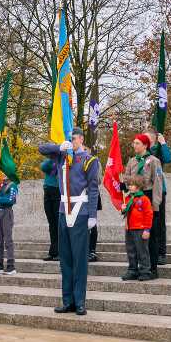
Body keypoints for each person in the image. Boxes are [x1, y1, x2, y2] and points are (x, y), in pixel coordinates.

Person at [39, 127, 100, 316]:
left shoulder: (90, 160)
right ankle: (67, 301)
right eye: (69, 139)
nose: (72, 142)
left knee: (80, 260)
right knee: (65, 259)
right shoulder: (61, 157)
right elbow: (42, 149)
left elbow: (93, 189)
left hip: (80, 212)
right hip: (62, 211)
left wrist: (92, 215)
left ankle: (80, 302)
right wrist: (59, 146)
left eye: (73, 139)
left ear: (81, 139)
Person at [121, 133, 163, 279]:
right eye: (134, 143)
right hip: (134, 197)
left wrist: (156, 203)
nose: (134, 145)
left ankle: (151, 268)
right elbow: (127, 178)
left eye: (137, 143)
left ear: (145, 145)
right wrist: (123, 183)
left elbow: (158, 182)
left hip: (148, 196)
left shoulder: (154, 161)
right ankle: (134, 268)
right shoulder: (132, 161)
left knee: (150, 237)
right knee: (134, 238)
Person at [118, 175, 154, 281]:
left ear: (138, 186)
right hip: (129, 228)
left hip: (140, 229)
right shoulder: (129, 198)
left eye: (132, 185)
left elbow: (149, 214)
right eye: (129, 185)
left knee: (142, 251)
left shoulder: (144, 199)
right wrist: (123, 209)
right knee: (131, 250)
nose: (129, 186)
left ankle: (145, 271)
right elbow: (126, 212)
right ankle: (132, 270)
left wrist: (147, 229)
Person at [146, 129, 171, 264]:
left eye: (146, 139)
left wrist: (163, 144)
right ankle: (149, 251)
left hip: (159, 190)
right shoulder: (143, 152)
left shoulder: (159, 150)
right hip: (145, 191)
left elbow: (168, 158)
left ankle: (161, 252)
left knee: (160, 222)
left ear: (152, 140)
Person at [0, 174, 18, 276]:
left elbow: (11, 200)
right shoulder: (0, 185)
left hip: (7, 212)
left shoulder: (12, 185)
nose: (3, 174)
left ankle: (11, 265)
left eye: (5, 172)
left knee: (8, 240)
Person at [40, 158, 60, 261]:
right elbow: (43, 167)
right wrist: (52, 158)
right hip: (47, 190)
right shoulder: (51, 160)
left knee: (58, 223)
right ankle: (53, 251)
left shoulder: (62, 158)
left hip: (57, 190)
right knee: (51, 223)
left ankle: (59, 252)